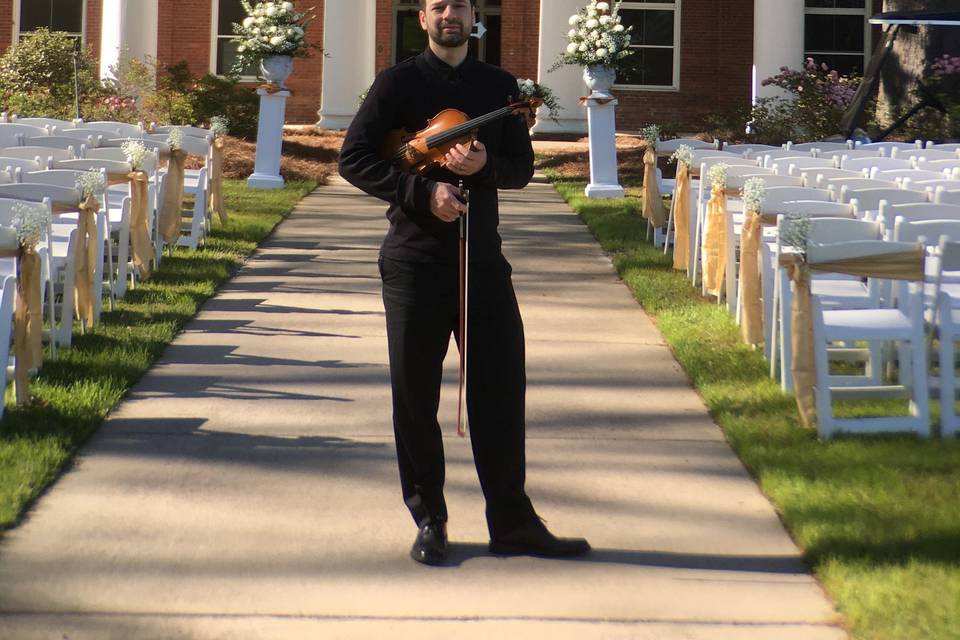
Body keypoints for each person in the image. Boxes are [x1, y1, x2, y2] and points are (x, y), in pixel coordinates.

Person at [338, 0, 589, 566]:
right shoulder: (395, 84)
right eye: (438, 6)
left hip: (482, 261)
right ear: (422, 18)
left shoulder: (499, 86)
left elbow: (520, 170)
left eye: (460, 5)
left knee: (501, 390)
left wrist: (483, 171)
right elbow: (353, 159)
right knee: (415, 398)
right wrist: (422, 192)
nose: (450, 14)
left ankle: (513, 521)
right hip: (413, 262)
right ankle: (430, 519)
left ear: (475, 17)